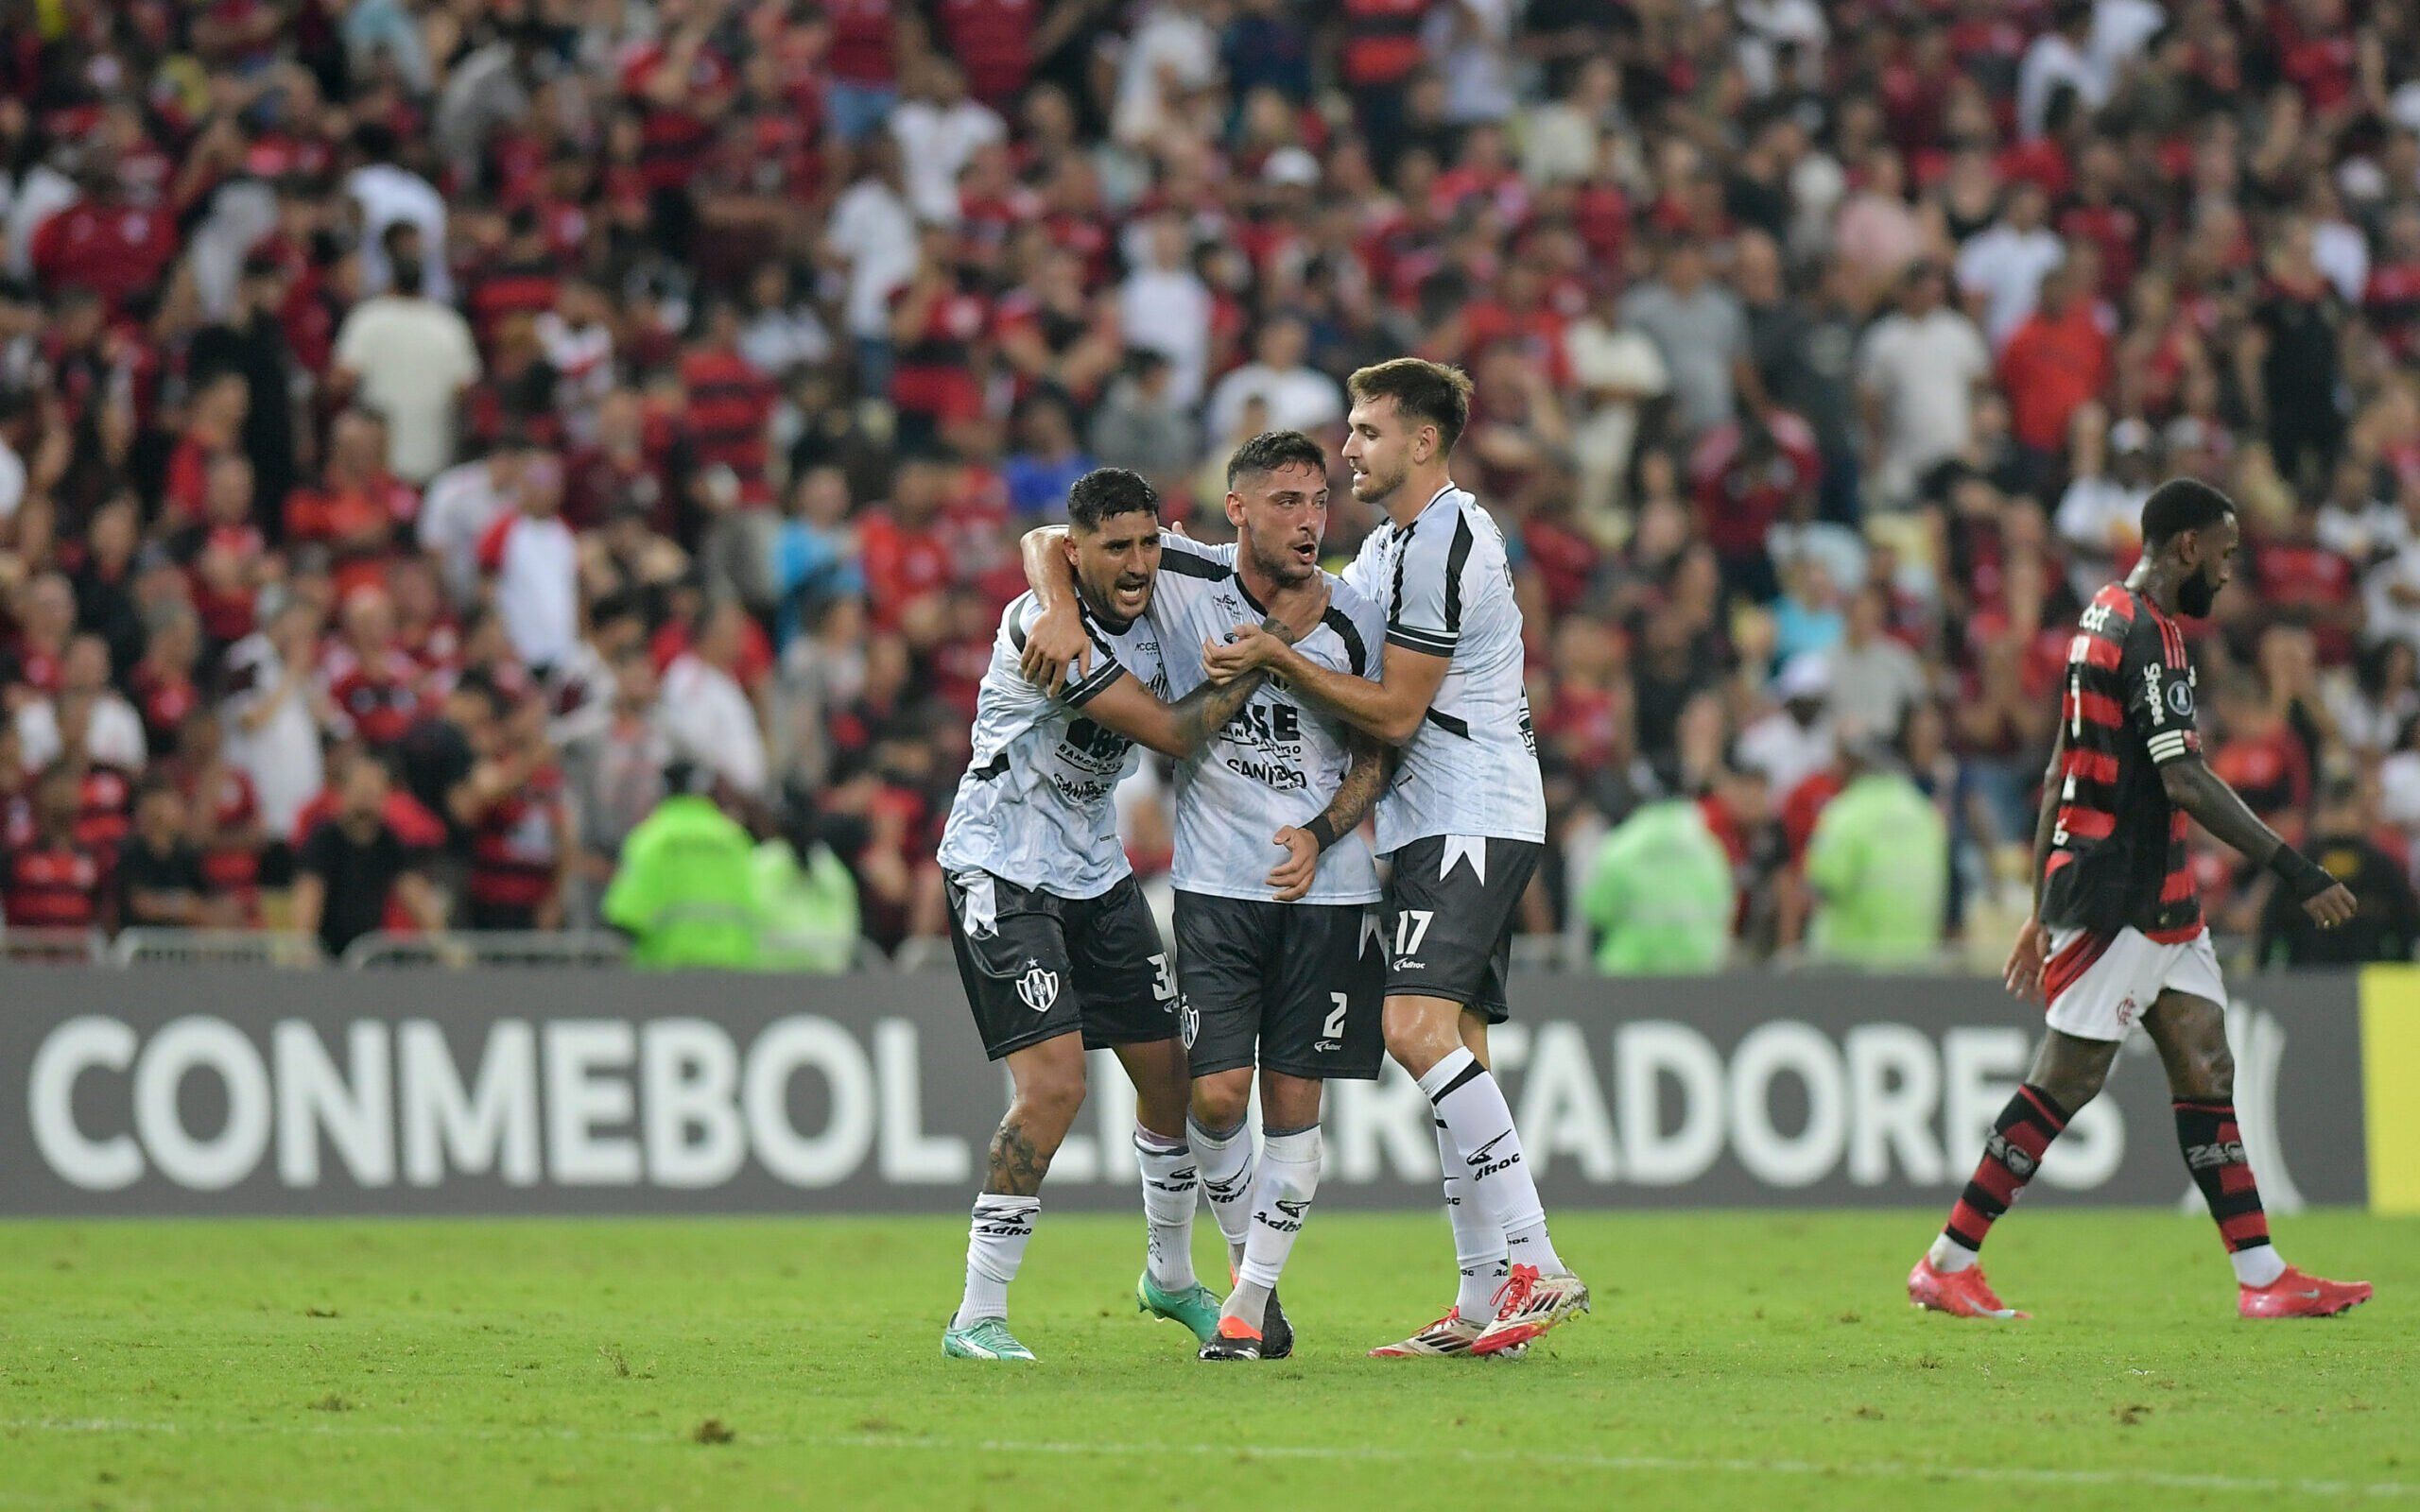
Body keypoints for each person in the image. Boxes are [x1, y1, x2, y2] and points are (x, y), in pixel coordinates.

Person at [1910, 479, 2373, 1322]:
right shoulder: (2148, 638)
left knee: (2206, 1061)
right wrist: (2296, 869)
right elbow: (2183, 779)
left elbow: (2064, 763)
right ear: (2187, 546)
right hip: (2118, 893)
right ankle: (1948, 1260)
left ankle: (2263, 1276)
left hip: (2159, 897)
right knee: (2068, 1076)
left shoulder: (2101, 616)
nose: (2228, 573)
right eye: (2224, 554)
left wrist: (2036, 906)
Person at [1204, 359, 1588, 1357]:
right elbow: (1332, 618)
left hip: (1472, 812)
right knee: (1458, 1040)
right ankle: (1480, 1297)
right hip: (1430, 821)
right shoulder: (1388, 546)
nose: (1347, 448)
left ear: (1422, 442)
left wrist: (1275, 657)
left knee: (1411, 1027)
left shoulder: (1450, 537)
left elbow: (1397, 708)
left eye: (1367, 431)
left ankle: (1537, 1260)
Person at [1019, 432, 1390, 1361]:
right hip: (1217, 885)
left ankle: (1247, 1303)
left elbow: (1378, 749)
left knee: (1294, 1105)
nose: (1310, 521)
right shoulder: (1180, 570)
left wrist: (1321, 834)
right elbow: (1053, 539)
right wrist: (1057, 606)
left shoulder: (1354, 614)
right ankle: (1240, 1272)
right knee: (1217, 1099)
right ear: (1237, 510)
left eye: (1319, 502)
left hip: (1326, 894)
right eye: (1287, 502)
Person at [933, 467, 1312, 1364]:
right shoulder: (1044, 631)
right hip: (1004, 867)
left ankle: (1169, 1277)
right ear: (1080, 554)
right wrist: (1270, 648)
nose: (1139, 564)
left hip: (1094, 873)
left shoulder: (1139, 593)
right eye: (1116, 549)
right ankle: (977, 1314)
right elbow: (1174, 734)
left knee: (1171, 1077)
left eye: (1148, 543)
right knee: (1055, 1087)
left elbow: (1043, 541)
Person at [1803, 733, 1948, 966]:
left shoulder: (1846, 813)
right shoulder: (1925, 814)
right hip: (1917, 961)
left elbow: (1824, 885)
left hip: (1852, 962)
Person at [599, 766, 762, 970]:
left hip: (669, 970)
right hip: (733, 967)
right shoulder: (734, 838)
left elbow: (625, 913)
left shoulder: (651, 839)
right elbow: (759, 902)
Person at [292, 755, 446, 961]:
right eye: (361, 792)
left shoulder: (388, 841)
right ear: (343, 792)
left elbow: (415, 895)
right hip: (327, 956)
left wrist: (441, 944)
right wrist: (305, 949)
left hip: (369, 955)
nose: (366, 802)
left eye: (373, 793)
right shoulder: (325, 840)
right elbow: (309, 896)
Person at [2256, 777, 2420, 967]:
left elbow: (2268, 926)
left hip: (2311, 976)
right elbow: (2406, 927)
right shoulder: (2383, 865)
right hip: (2353, 976)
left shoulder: (2297, 865)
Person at [1580, 797, 1735, 972]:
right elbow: (1726, 904)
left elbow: (1596, 910)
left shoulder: (1622, 847)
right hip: (1697, 968)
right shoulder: (1709, 850)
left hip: (1629, 970)